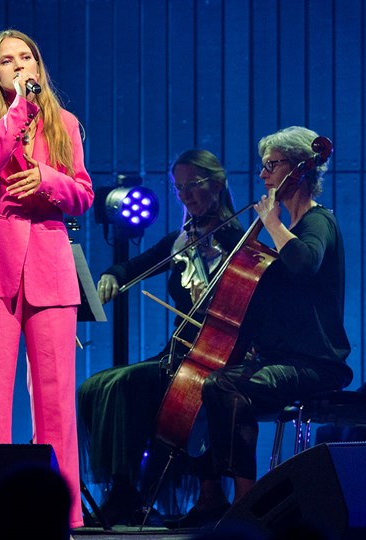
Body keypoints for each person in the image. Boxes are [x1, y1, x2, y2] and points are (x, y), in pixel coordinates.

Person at [0, 29, 94, 529]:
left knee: (55, 399)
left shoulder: (65, 122)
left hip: (49, 268)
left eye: (27, 57)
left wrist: (48, 182)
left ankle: (65, 514)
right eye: (8, 62)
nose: (20, 66)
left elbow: (83, 194)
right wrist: (20, 110)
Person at [183, 126, 353, 528]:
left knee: (228, 388)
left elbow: (303, 262)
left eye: (272, 166)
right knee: (207, 383)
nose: (263, 176)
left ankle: (248, 504)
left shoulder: (318, 223)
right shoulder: (289, 224)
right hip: (284, 357)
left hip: (316, 364)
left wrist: (272, 222)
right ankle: (211, 499)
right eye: (263, 167)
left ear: (298, 169)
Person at [76, 150, 244, 526]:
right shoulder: (181, 239)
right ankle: (123, 490)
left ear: (217, 183)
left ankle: (174, 495)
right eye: (179, 188)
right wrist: (112, 275)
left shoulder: (238, 239)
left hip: (221, 355)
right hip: (181, 352)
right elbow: (132, 266)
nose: (186, 196)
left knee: (127, 384)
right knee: (98, 385)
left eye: (194, 186)